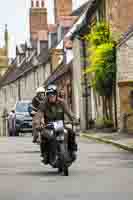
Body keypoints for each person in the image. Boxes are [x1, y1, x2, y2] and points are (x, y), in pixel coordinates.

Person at [35, 84, 78, 163]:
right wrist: (37, 124)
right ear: (47, 96)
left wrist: (74, 120)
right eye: (49, 95)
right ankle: (45, 155)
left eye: (53, 94)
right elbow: (38, 115)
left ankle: (72, 151)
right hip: (48, 126)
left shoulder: (62, 102)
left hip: (60, 125)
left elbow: (69, 112)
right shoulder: (43, 104)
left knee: (71, 132)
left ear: (56, 94)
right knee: (44, 136)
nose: (51, 96)